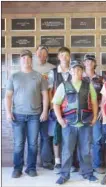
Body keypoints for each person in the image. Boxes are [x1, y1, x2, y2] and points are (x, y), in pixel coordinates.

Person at [52, 60, 99, 184]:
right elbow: (56, 104)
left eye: (79, 69)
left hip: (85, 123)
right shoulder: (64, 85)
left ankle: (88, 173)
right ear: (70, 71)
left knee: (85, 150)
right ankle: (64, 175)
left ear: (82, 71)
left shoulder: (88, 85)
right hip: (69, 124)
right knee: (67, 151)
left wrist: (94, 117)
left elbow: (94, 102)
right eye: (74, 69)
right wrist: (60, 120)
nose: (77, 71)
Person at [5, 49, 49, 178]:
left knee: (33, 144)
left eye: (28, 57)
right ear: (20, 60)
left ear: (32, 60)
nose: (26, 59)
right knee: (18, 144)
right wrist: (8, 113)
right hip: (17, 115)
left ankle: (31, 168)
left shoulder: (39, 76)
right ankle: (17, 168)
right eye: (23, 57)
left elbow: (45, 95)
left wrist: (45, 111)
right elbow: (7, 96)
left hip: (35, 116)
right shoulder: (14, 76)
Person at [47, 47, 72, 174]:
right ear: (58, 57)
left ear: (69, 57)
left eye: (66, 55)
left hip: (70, 109)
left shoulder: (74, 71)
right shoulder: (53, 72)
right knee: (56, 136)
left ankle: (68, 161)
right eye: (61, 54)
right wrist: (52, 105)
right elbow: (49, 90)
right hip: (56, 108)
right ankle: (57, 161)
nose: (64, 57)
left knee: (70, 136)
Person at [33, 45, 56, 170]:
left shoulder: (52, 69)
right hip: (32, 106)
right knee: (31, 137)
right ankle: (31, 163)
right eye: (40, 53)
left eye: (44, 54)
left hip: (46, 105)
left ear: (47, 56)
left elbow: (53, 89)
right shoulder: (29, 67)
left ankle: (46, 161)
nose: (42, 56)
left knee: (46, 135)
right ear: (35, 54)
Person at [82, 54, 105, 174]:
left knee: (97, 140)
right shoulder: (79, 77)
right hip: (82, 114)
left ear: (94, 63)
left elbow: (105, 96)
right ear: (84, 63)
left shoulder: (100, 79)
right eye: (87, 61)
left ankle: (96, 165)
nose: (89, 63)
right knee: (83, 140)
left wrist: (102, 110)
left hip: (97, 113)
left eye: (91, 61)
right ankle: (83, 166)